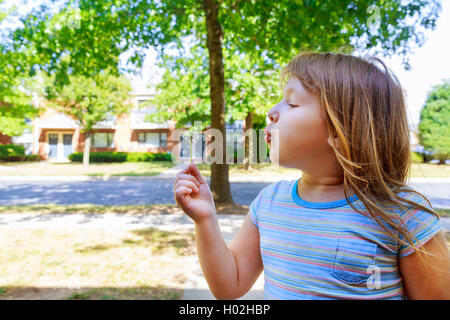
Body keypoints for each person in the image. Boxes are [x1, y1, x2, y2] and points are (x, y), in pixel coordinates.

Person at [173, 52, 450, 300]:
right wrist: (206, 219)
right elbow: (229, 286)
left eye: (291, 104)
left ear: (342, 130)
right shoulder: (269, 203)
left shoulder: (403, 215)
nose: (271, 112)